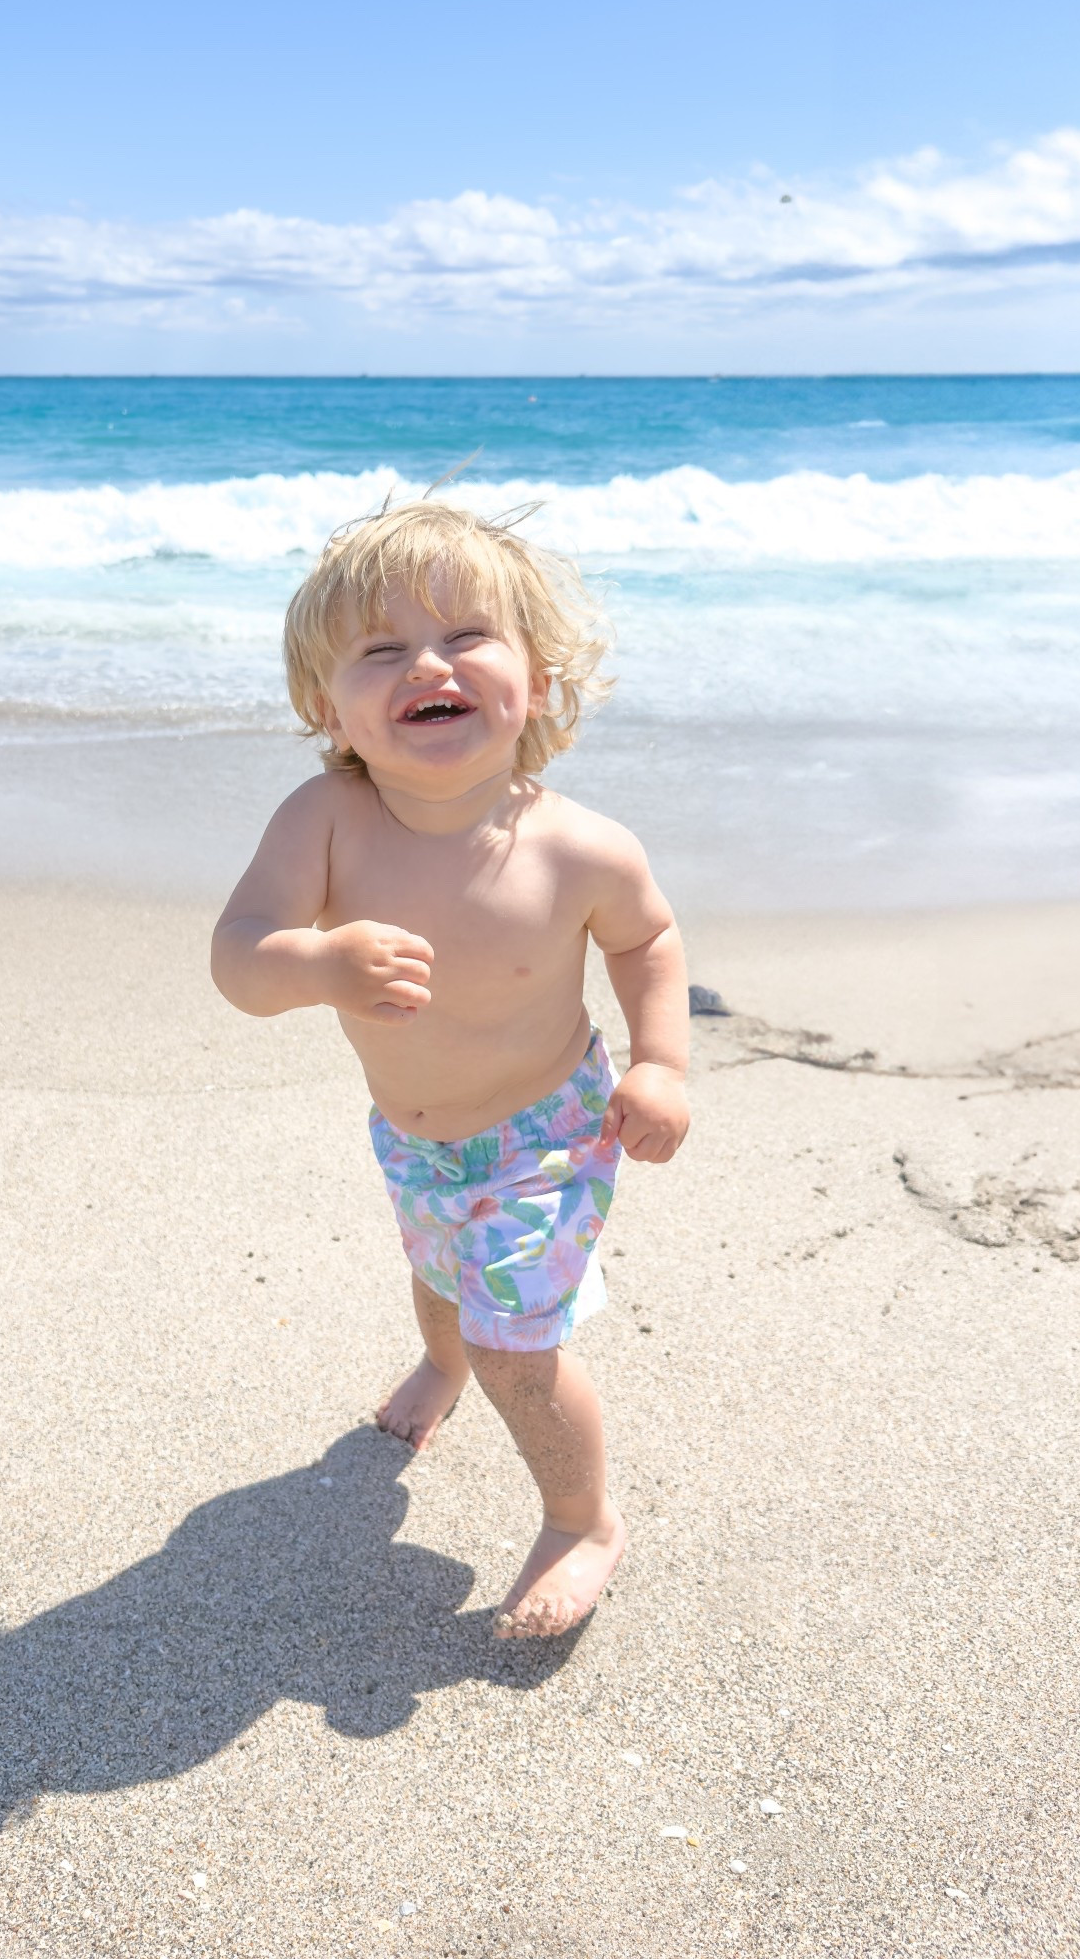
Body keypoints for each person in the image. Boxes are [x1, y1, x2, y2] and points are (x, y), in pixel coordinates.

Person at [211, 500, 690, 1638]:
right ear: (330, 706)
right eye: (381, 649)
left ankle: (582, 1518)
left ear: (539, 675)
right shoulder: (326, 819)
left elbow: (647, 941)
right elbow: (240, 957)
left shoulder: (580, 845)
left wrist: (661, 1059)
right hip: (414, 1133)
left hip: (549, 1133)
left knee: (511, 1341)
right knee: (437, 1273)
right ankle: (443, 1365)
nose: (427, 662)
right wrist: (318, 959)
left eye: (467, 636)